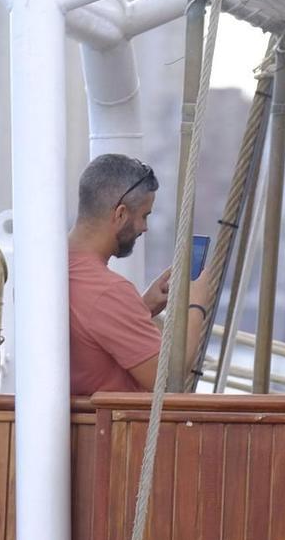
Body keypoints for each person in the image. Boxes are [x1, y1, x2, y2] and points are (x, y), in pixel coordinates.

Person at [65, 154, 208, 397]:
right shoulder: (108, 292)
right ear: (120, 214)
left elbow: (90, 331)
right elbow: (166, 380)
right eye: (144, 215)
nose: (145, 227)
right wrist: (196, 305)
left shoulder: (53, 270)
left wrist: (144, 306)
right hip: (116, 432)